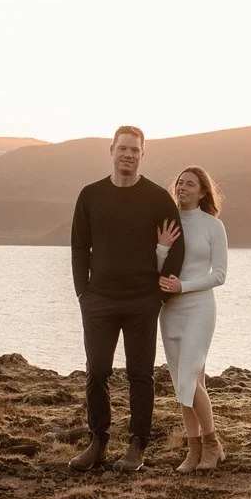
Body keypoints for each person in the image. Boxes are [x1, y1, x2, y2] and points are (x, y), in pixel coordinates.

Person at [69, 126, 185, 472]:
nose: (128, 155)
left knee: (140, 374)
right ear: (112, 150)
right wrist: (82, 293)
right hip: (99, 300)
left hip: (141, 301)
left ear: (142, 155)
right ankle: (98, 441)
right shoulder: (91, 195)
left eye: (135, 150)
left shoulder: (156, 198)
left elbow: (177, 245)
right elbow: (78, 247)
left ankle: (137, 445)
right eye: (123, 149)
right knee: (98, 371)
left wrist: (161, 294)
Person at [159, 166, 228, 471]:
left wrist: (184, 286)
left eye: (190, 184)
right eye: (180, 183)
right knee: (182, 383)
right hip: (170, 310)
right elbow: (155, 266)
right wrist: (161, 246)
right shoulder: (165, 221)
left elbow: (220, 275)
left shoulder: (213, 226)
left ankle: (212, 445)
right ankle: (193, 449)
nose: (183, 187)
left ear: (202, 192)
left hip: (199, 308)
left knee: (189, 376)